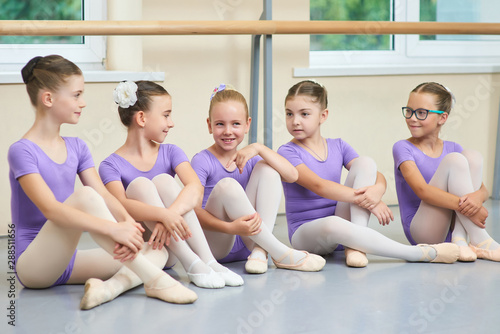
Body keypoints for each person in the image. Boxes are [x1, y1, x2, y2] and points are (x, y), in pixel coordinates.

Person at [8, 55, 198, 311]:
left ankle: (109, 288)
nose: (83, 103)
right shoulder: (21, 151)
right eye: (76, 95)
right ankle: (155, 281)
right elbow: (51, 209)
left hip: (69, 262)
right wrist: (111, 230)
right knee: (84, 196)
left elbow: (105, 195)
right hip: (34, 265)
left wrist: (128, 224)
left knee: (157, 250)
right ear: (49, 99)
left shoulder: (77, 146)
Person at [277, 80, 460, 267]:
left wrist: (377, 193)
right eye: (289, 114)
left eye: (304, 114)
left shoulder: (338, 145)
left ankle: (356, 247)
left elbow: (375, 174)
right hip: (306, 234)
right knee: (331, 223)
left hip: (341, 224)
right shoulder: (287, 151)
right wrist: (367, 201)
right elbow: (319, 186)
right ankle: (417, 253)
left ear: (323, 116)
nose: (295, 121)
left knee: (366, 162)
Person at [99, 80, 243, 291]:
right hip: (147, 247)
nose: (171, 122)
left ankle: (207, 260)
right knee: (140, 185)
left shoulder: (171, 152)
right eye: (166, 115)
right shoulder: (110, 165)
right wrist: (162, 215)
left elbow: (195, 188)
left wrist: (170, 214)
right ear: (141, 118)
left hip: (172, 244)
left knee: (164, 180)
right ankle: (192, 264)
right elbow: (120, 206)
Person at [191, 84, 326, 274]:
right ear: (209, 125)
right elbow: (193, 211)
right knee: (228, 186)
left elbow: (292, 175)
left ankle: (261, 250)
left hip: (250, 243)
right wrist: (230, 227)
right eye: (220, 124)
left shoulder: (251, 159)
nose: (228, 131)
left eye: (236, 124)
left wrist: (259, 148)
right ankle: (281, 253)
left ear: (247, 125)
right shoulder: (202, 160)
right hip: (217, 245)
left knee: (268, 168)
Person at [393, 81, 500, 262]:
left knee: (472, 156)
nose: (412, 118)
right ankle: (480, 238)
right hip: (424, 231)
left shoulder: (453, 148)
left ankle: (460, 238)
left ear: (442, 118)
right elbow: (423, 191)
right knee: (455, 160)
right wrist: (471, 209)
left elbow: (483, 190)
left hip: (451, 229)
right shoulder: (403, 148)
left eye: (421, 113)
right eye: (409, 111)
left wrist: (477, 199)